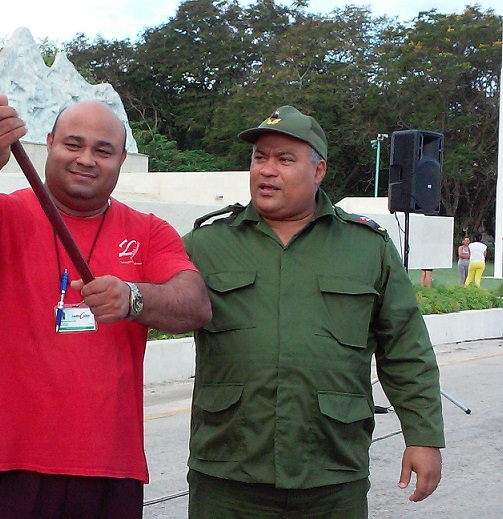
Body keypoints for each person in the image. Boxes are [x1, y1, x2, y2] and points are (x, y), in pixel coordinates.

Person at [0, 91, 211, 519]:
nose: (86, 159)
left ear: (122, 160)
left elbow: (195, 305)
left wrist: (134, 297)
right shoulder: (4, 211)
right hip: (3, 464)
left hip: (109, 469)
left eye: (103, 150)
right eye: (73, 145)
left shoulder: (148, 231)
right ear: (50, 142)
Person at [183, 105, 444, 518]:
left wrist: (423, 435)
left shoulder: (366, 247)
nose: (267, 170)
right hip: (228, 469)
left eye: (284, 159)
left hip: (330, 471)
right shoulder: (205, 246)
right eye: (260, 158)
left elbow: (405, 349)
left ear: (318, 171)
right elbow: (147, 308)